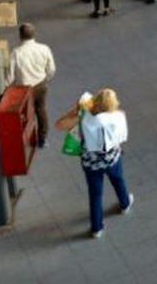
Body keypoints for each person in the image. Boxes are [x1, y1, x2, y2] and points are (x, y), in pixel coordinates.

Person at [55, 89, 134, 239]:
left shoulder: (84, 118)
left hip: (91, 163)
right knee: (118, 180)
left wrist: (76, 112)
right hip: (112, 159)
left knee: (95, 194)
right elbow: (121, 137)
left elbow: (59, 125)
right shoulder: (118, 117)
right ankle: (125, 204)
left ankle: (97, 228)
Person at [7, 23, 56, 148]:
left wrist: (7, 89)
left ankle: (25, 140)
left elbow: (10, 76)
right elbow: (51, 69)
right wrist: (45, 79)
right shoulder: (44, 48)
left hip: (23, 89)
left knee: (24, 114)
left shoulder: (16, 53)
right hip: (40, 85)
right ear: (34, 35)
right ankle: (42, 139)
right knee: (41, 110)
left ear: (20, 36)